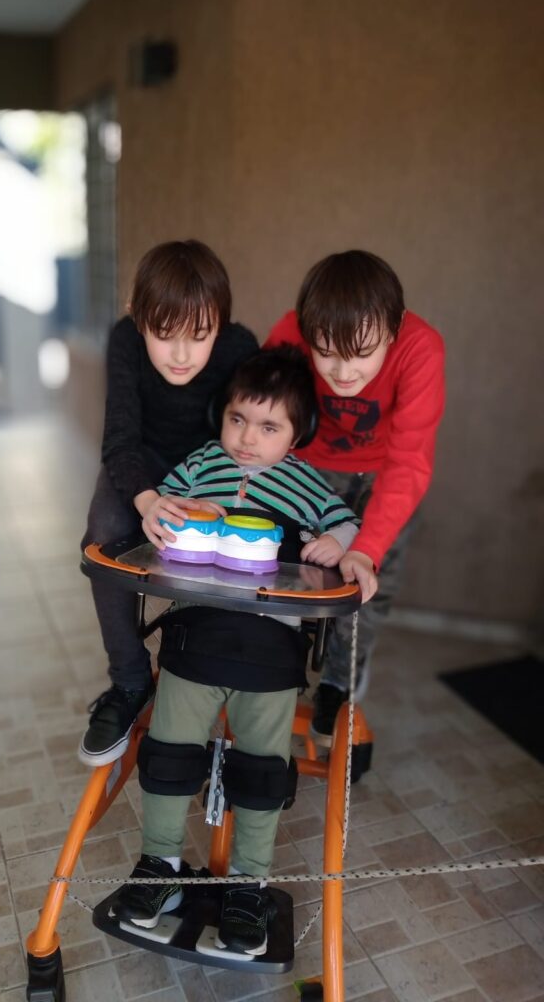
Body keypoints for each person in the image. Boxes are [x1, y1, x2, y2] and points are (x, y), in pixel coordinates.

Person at [114, 347, 368, 956]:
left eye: (269, 426)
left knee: (262, 771)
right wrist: (156, 515)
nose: (247, 440)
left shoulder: (306, 482)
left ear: (297, 433)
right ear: (220, 416)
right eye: (237, 419)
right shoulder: (200, 465)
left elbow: (350, 525)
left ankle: (250, 880)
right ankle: (162, 867)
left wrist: (336, 543)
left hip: (269, 650)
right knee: (168, 753)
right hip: (194, 638)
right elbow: (160, 506)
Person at [79, 240, 259, 766]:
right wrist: (148, 500)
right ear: (138, 319)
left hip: (212, 470)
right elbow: (118, 439)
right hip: (142, 466)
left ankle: (203, 677)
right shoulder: (123, 342)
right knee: (103, 535)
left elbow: (252, 430)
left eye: (199, 336)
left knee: (225, 552)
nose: (181, 354)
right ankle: (130, 681)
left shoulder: (240, 348)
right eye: (165, 335)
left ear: (220, 326)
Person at [264, 249, 445, 743]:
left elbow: (409, 461)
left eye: (362, 353)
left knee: (370, 587)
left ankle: (341, 678)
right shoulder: (288, 332)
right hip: (314, 470)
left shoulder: (421, 348)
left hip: (388, 472)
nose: (343, 371)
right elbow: (266, 416)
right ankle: (285, 673)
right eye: (326, 352)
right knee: (303, 572)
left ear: (393, 328)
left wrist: (365, 547)